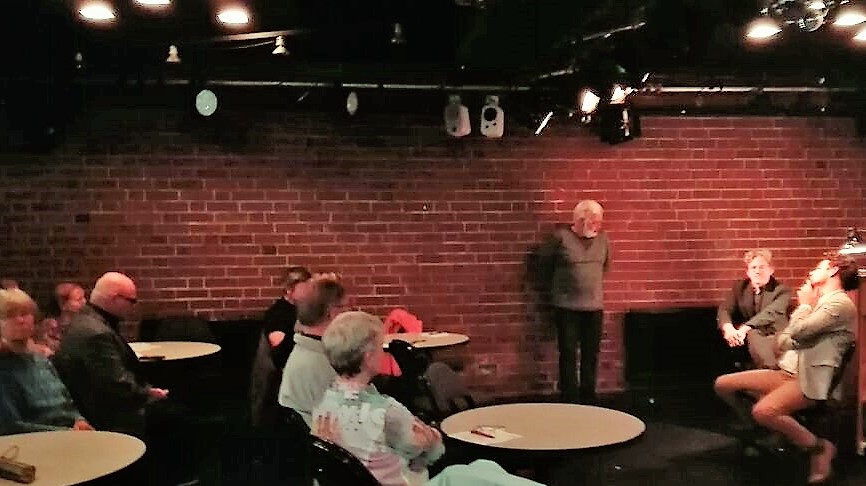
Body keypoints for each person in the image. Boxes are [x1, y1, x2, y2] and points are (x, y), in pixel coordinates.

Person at [312, 311, 545, 486]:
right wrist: (430, 441)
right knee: (467, 474)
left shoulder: (324, 406)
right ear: (368, 356)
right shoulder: (385, 410)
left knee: (484, 467)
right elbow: (433, 452)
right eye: (380, 348)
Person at [714, 254, 859, 484]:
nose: (812, 272)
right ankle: (772, 431)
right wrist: (797, 329)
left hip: (809, 380)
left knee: (763, 411)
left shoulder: (839, 304)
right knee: (724, 384)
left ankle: (819, 447)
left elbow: (797, 332)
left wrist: (804, 306)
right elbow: (783, 340)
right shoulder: (821, 302)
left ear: (833, 271)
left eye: (819, 267)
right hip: (788, 371)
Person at [52, 272, 168, 437]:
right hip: (107, 419)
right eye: (131, 301)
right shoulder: (96, 333)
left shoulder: (86, 320)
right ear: (114, 298)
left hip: (99, 409)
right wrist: (147, 393)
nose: (133, 306)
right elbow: (116, 385)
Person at [538, 199, 610, 404]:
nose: (597, 226)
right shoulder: (559, 238)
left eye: (599, 221)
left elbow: (605, 266)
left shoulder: (603, 240)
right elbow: (544, 267)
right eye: (594, 221)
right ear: (580, 220)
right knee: (568, 353)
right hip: (566, 307)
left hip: (594, 307)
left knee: (591, 354)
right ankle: (569, 398)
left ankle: (588, 396)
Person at [0, 288, 94, 435]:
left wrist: (79, 420)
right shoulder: (4, 368)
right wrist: (67, 432)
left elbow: (66, 402)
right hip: (34, 442)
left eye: (25, 314)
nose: (20, 320)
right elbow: (11, 427)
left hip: (68, 434)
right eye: (10, 315)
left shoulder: (42, 360)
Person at [277, 272, 345, 426]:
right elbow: (350, 425)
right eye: (345, 308)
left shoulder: (306, 351)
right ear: (333, 312)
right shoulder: (322, 364)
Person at [249, 266, 311, 429]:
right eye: (304, 289)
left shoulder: (303, 310)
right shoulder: (279, 313)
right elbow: (279, 350)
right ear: (289, 289)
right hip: (280, 378)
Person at [717, 249, 792, 369]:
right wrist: (729, 329)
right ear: (748, 272)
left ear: (771, 270)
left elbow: (770, 313)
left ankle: (772, 370)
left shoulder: (782, 290)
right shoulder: (739, 287)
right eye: (753, 268)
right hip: (746, 341)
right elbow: (725, 309)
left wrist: (744, 329)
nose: (757, 271)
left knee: (753, 334)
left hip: (774, 337)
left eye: (762, 267)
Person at [34, 282, 87, 354]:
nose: (84, 301)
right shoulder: (49, 327)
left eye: (83, 297)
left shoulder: (84, 321)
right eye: (78, 299)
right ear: (62, 304)